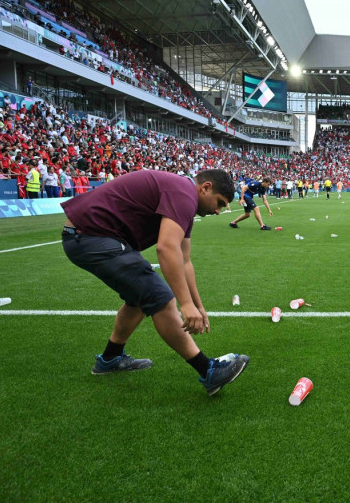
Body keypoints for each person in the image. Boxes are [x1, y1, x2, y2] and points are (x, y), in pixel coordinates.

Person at [60, 169, 249, 396]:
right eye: (219, 203)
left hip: (92, 234)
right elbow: (166, 248)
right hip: (90, 235)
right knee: (158, 295)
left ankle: (110, 358)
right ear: (206, 187)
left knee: (141, 296)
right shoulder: (183, 193)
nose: (219, 211)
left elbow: (184, 260)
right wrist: (184, 304)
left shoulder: (185, 198)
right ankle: (208, 371)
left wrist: (197, 305)